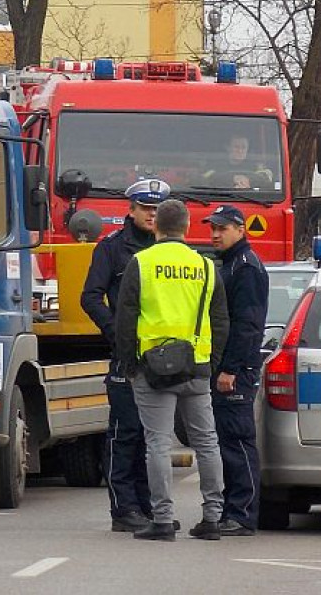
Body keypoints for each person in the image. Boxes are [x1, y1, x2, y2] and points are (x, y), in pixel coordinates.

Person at [114, 199, 230, 541]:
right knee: (207, 442)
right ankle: (212, 518)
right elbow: (221, 319)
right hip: (197, 366)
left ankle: (163, 520)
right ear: (188, 227)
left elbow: (125, 319)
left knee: (158, 444)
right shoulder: (206, 266)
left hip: (153, 367)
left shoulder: (142, 263)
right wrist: (213, 361)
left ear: (157, 228)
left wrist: (130, 365)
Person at [80, 178, 171, 532]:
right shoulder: (113, 249)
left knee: (154, 433)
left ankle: (146, 505)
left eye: (157, 208)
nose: (152, 214)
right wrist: (116, 332)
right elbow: (90, 297)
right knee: (126, 430)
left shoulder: (171, 250)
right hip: (127, 354)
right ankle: (124, 508)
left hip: (161, 355)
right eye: (146, 208)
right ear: (130, 211)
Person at [205, 205, 269, 536]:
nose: (215, 234)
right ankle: (231, 510)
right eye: (212, 228)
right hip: (226, 367)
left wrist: (230, 368)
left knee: (237, 442)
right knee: (227, 441)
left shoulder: (246, 268)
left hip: (236, 371)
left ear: (240, 230)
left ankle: (241, 514)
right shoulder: (230, 264)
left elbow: (247, 325)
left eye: (222, 228)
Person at [200, 134, 274, 190]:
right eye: (236, 147)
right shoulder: (216, 164)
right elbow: (205, 177)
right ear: (228, 148)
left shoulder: (256, 166)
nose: (240, 151)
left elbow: (267, 176)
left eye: (243, 147)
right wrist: (232, 178)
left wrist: (248, 179)